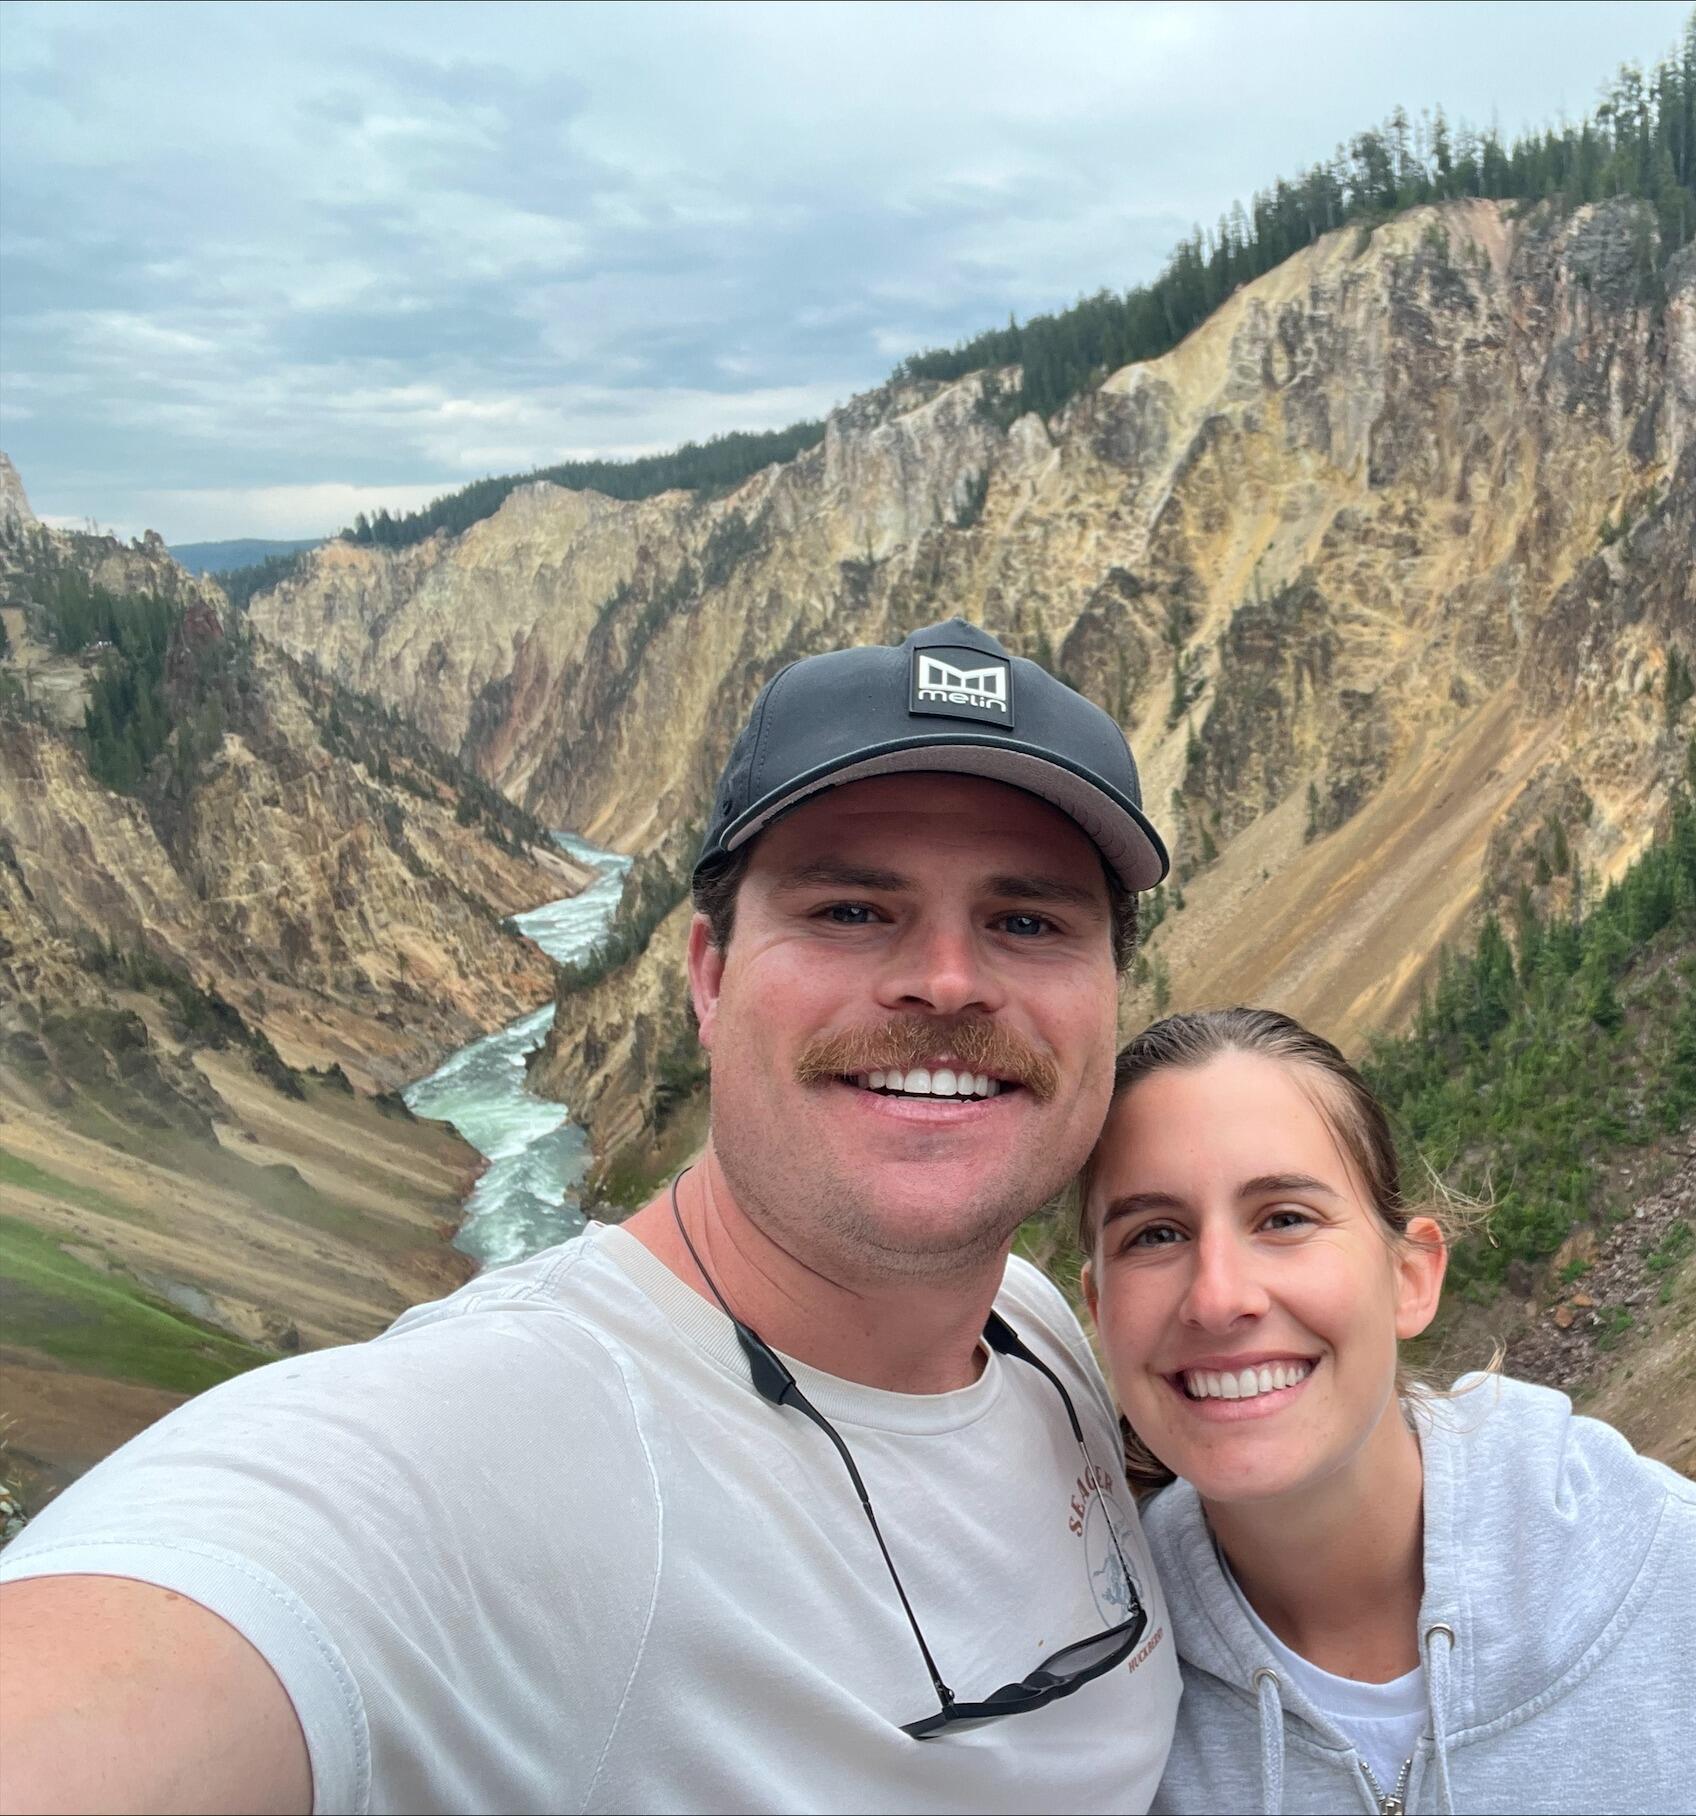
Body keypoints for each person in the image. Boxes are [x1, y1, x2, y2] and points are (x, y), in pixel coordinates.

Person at [0, 619, 1183, 1813]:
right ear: (709, 979)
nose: (945, 977)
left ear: (1108, 993)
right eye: (849, 911)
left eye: (1027, 922)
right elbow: (178, 1630)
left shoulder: (1034, 1325)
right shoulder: (500, 1438)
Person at [1076, 1006, 1696, 1815]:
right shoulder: (1081, 1694)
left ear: (1410, 1277)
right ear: (1098, 1307)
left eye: (1285, 1218)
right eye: (1155, 1235)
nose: (1219, 1296)